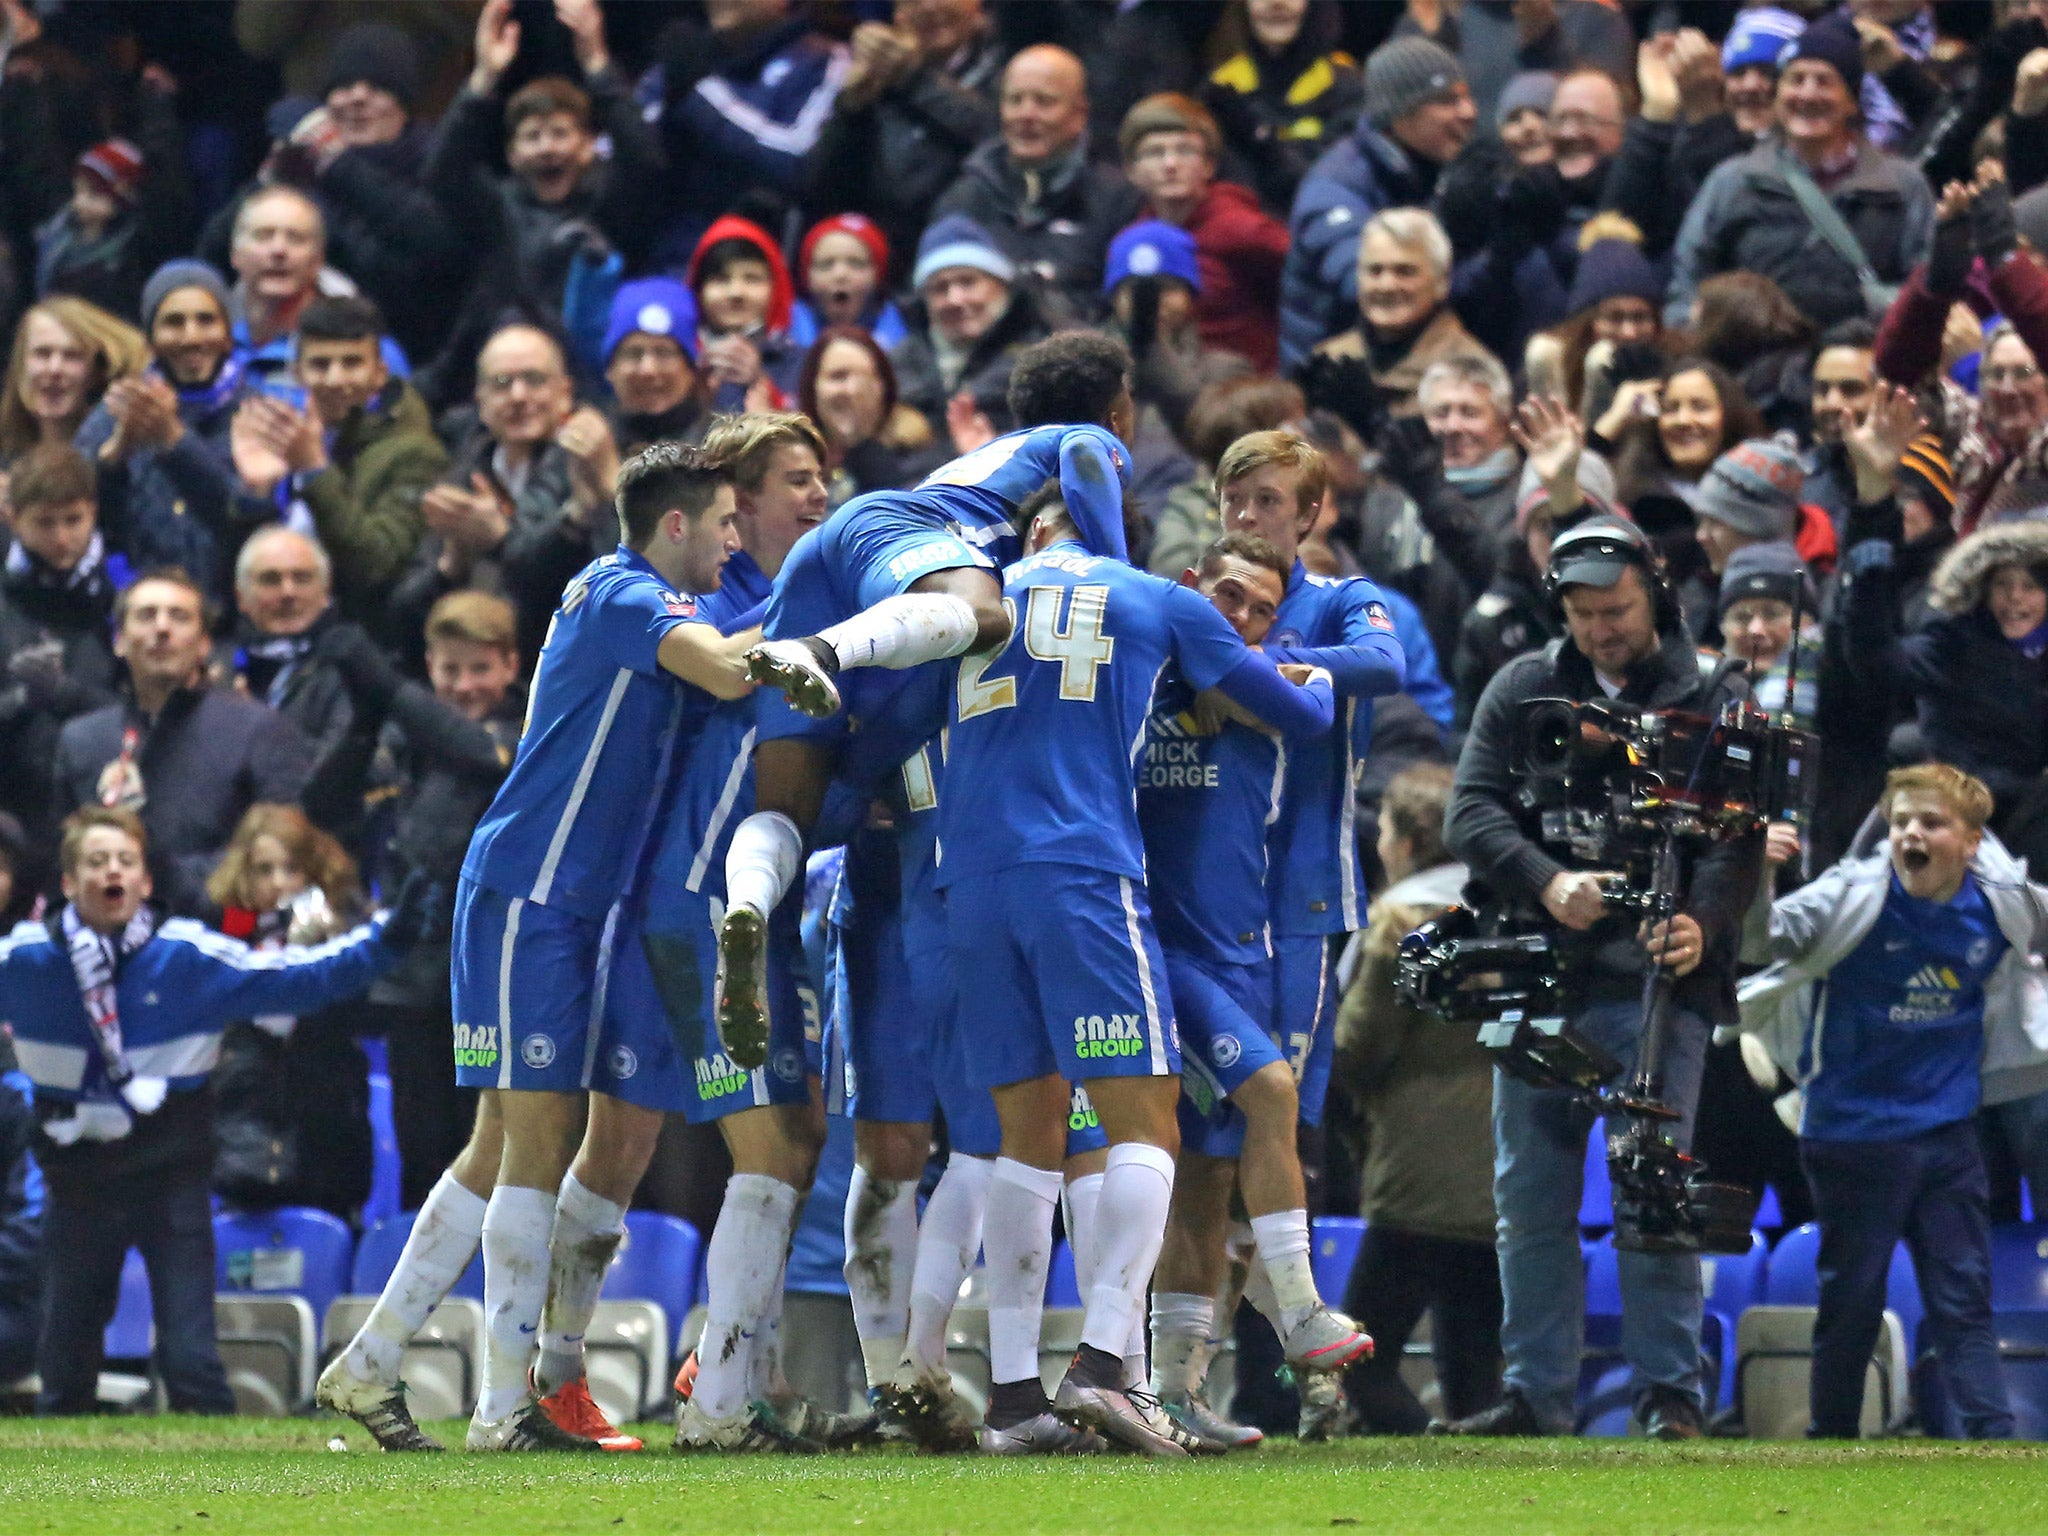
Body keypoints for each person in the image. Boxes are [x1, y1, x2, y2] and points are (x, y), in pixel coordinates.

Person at [937, 489, 1351, 1456]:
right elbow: (1300, 707)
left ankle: (1012, 1403)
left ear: (1036, 526)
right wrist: (1318, 683)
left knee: (1026, 1137)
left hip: (972, 878)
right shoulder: (1152, 599)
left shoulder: (974, 588)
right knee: (1149, 1116)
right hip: (1089, 875)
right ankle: (1108, 1370)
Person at [714, 335, 1140, 1081]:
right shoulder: (1086, 439)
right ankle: (819, 653)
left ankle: (745, 905)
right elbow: (1084, 461)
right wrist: (1120, 586)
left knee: (792, 804)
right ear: (1117, 408)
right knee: (988, 618)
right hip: (902, 547)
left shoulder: (983, 459)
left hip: (841, 561)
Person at [441, 442, 755, 1453]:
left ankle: (399, 1370)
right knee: (529, 1145)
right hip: (528, 891)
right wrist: (850, 638)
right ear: (675, 526)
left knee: (516, 1144)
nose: (735, 540)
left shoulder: (644, 599)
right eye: (723, 523)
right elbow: (720, 670)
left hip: (578, 904)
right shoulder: (624, 596)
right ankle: (500, 1411)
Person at [1439, 515, 1763, 1440]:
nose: (1599, 629)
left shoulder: (1714, 691)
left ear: (1653, 594)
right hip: (1541, 980)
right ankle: (1535, 1396)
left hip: (1657, 991)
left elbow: (1737, 836)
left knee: (1651, 1192)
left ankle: (1672, 1396)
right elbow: (1470, 811)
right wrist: (1547, 881)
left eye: (1614, 609)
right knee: (1528, 1198)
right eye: (1580, 614)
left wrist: (1703, 924)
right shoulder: (1525, 684)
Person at [8, 806, 421, 1416]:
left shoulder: (188, 959)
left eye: (125, 861)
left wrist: (388, 943)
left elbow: (300, 978)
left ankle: (223, 1493)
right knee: (64, 1367)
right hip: (78, 1182)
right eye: (96, 862)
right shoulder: (25, 962)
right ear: (69, 883)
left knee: (192, 1362)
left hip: (169, 1175)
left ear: (145, 882)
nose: (111, 872)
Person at [1138, 532, 1373, 1451]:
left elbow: (1357, 682)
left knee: (1205, 1184)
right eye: (1228, 597)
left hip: (1240, 954)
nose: (1240, 620)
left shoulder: (1280, 688)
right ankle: (1302, 1312)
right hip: (1158, 950)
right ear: (1191, 588)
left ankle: (1175, 1393)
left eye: (1261, 609)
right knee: (1271, 1095)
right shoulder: (1138, 680)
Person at [1739, 764, 2045, 1440]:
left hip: (1948, 1133)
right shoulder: (1849, 896)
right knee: (1851, 1301)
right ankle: (1833, 1442)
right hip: (1851, 1135)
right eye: (1902, 820)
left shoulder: (2004, 901)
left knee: (1964, 1301)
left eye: (1930, 823)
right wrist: (1758, 874)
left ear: (1969, 843)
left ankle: (1996, 1446)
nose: (1911, 833)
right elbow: (1760, 942)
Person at [1331, 762, 1501, 1435]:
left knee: (1356, 1361)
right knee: (1474, 1376)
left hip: (1416, 1173)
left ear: (1405, 842)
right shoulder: (1503, 911)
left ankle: (1424, 1458)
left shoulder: (1403, 922)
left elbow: (1360, 1045)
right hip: (1496, 1174)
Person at [423, 0, 663, 400]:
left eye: (560, 134)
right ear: (513, 156)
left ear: (588, 147)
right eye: (533, 137)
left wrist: (598, 65)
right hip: (512, 376)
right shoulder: (496, 209)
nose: (547, 148)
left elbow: (647, 162)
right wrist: (484, 78)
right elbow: (442, 173)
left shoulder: (609, 203)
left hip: (598, 382)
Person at [52, 569, 312, 917]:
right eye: (146, 616)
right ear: (119, 640)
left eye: (179, 617)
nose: (162, 628)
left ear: (204, 643)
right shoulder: (83, 739)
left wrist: (162, 868)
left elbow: (283, 853)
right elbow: (62, 861)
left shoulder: (260, 730)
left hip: (222, 940)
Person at [1665, 10, 1934, 334]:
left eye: (1824, 81)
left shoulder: (1902, 185)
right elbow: (1687, 282)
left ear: (1852, 101)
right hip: (1756, 363)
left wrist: (1862, 305)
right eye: (1795, 80)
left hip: (1860, 360)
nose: (1807, 94)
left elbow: (1925, 287)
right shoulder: (1733, 180)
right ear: (1778, 98)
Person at [392, 323, 615, 668]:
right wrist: (450, 567)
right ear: (480, 403)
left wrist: (499, 540)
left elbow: (595, 593)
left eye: (534, 380)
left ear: (565, 392)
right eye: (501, 384)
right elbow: (404, 615)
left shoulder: (591, 468)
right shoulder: (463, 476)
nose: (518, 396)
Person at [1838, 518, 2048, 876]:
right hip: (1949, 807)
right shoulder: (1954, 644)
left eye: (2029, 586)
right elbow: (1882, 665)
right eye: (2002, 585)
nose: (2014, 598)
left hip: (2033, 821)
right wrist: (1866, 588)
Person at [228, 294, 447, 632]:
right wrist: (257, 492)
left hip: (365, 640)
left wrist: (314, 469)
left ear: (379, 372)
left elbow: (377, 562)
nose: (335, 379)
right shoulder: (285, 436)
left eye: (351, 363)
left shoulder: (416, 454)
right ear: (298, 372)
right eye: (320, 365)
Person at [203, 804, 374, 1219]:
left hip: (327, 1145)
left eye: (291, 869)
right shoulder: (221, 938)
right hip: (245, 1147)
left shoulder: (348, 942)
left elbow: (365, 1016)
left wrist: (326, 948)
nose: (278, 884)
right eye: (264, 870)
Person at [77, 260, 270, 605]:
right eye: (173, 323)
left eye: (206, 320)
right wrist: (112, 462)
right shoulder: (115, 413)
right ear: (150, 339)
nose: (191, 337)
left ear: (228, 335)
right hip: (137, 614)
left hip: (231, 614)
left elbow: (257, 525)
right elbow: (81, 526)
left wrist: (176, 443)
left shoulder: (262, 412)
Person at [1280, 36, 1475, 368]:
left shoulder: (1435, 169)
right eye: (1447, 101)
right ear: (1400, 115)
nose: (1469, 112)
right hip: (1330, 382)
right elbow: (1368, 289)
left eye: (1467, 97)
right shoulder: (1335, 185)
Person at [931, 45, 1144, 320]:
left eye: (1044, 102)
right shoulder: (962, 199)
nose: (1026, 115)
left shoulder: (1118, 199)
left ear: (1079, 115)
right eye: (1015, 100)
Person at [800, 0, 1002, 284]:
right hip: (882, 270)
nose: (929, 7)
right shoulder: (875, 76)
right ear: (898, 14)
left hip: (976, 259)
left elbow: (999, 139)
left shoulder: (1009, 63)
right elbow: (818, 189)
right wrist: (851, 109)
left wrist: (915, 77)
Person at [643, 0, 850, 264]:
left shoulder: (824, 60)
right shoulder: (683, 59)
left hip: (758, 273)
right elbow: (623, 158)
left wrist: (698, 94)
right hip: (663, 268)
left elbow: (797, 160)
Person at [0, 446, 122, 842]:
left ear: (94, 512)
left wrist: (66, 694)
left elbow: (149, 708)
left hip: (109, 795)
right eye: (45, 523)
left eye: (74, 520)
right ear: (13, 518)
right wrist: (17, 702)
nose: (62, 538)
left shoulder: (123, 590)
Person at [1119, 93, 1289, 372]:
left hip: (1243, 391)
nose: (1170, 164)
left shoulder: (1245, 230)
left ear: (1209, 165)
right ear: (1131, 170)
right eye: (1154, 152)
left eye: (1185, 151)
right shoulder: (1134, 242)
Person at [1310, 208, 1497, 419]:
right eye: (1375, 270)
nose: (1387, 285)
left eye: (1405, 271)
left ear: (1442, 282)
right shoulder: (1328, 360)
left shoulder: (1473, 371)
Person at [223, 186, 408, 392]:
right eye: (264, 236)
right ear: (235, 255)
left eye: (295, 238)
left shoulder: (368, 353)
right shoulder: (211, 345)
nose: (278, 250)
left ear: (318, 259)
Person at [889, 213, 1051, 440]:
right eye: (940, 288)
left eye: (968, 282)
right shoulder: (895, 369)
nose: (955, 299)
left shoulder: (1043, 360)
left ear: (1002, 285)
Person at [33, 94, 190, 323]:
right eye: (77, 191)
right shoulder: (57, 234)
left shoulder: (134, 248)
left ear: (122, 197)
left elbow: (166, 189)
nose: (79, 202)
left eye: (94, 194)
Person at [1201, 0, 1363, 217]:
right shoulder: (1220, 91)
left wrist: (1260, 138)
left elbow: (1333, 177)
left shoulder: (1346, 86)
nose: (1276, 4)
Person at [799, 327, 942, 508]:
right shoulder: (792, 463)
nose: (850, 391)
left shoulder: (921, 463)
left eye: (863, 378)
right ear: (812, 387)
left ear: (884, 387)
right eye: (838, 377)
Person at [0, 297, 146, 465]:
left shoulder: (118, 458)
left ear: (97, 371)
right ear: (21, 365)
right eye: (42, 353)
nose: (54, 369)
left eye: (72, 356)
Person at [687, 214, 802, 410]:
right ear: (698, 289)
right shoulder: (679, 360)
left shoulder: (803, 364)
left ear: (776, 289)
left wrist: (761, 386)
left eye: (752, 278)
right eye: (721, 279)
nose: (736, 293)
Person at [601, 278, 706, 461]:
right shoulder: (589, 446)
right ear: (610, 369)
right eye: (633, 354)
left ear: (691, 370)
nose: (648, 370)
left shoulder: (721, 450)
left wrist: (606, 481)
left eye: (663, 353)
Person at [790, 213, 909, 354]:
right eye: (826, 265)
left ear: (877, 276)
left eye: (856, 263)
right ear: (807, 278)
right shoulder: (784, 334)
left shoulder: (906, 342)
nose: (840, 275)